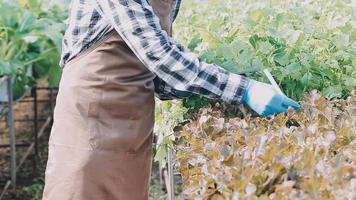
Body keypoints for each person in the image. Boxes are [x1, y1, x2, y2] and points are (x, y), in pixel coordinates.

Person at [42, 0, 300, 199]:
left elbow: (158, 75)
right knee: (81, 189)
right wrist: (244, 89)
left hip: (133, 114)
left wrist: (218, 86)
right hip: (91, 110)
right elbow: (159, 54)